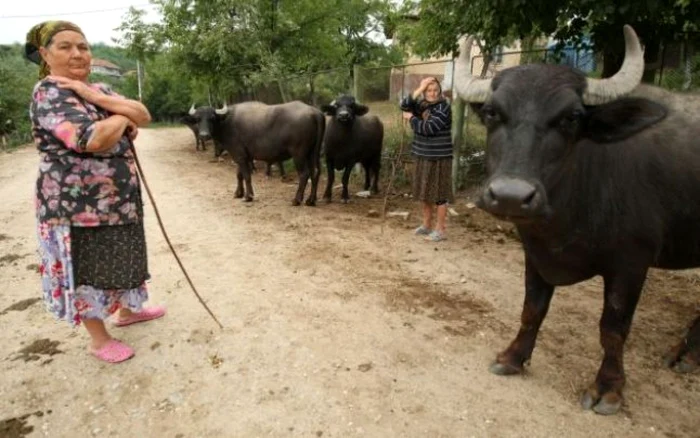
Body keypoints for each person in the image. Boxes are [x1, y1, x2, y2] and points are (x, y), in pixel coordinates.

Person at [25, 21, 165, 363]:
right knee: (86, 271)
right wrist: (120, 116)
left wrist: (97, 97)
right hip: (75, 208)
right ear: (45, 54)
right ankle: (99, 340)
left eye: (83, 46)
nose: (77, 53)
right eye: (65, 46)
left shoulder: (97, 88)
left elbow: (143, 115)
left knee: (123, 259)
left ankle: (128, 311)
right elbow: (90, 139)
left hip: (118, 200)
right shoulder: (49, 92)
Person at [400, 77, 454, 242]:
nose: (432, 93)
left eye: (435, 90)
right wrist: (419, 87)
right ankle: (426, 226)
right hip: (422, 154)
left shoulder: (443, 107)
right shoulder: (423, 104)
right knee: (424, 193)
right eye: (429, 90)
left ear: (440, 92)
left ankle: (440, 230)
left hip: (439, 157)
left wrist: (411, 118)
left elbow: (429, 128)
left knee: (440, 194)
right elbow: (403, 106)